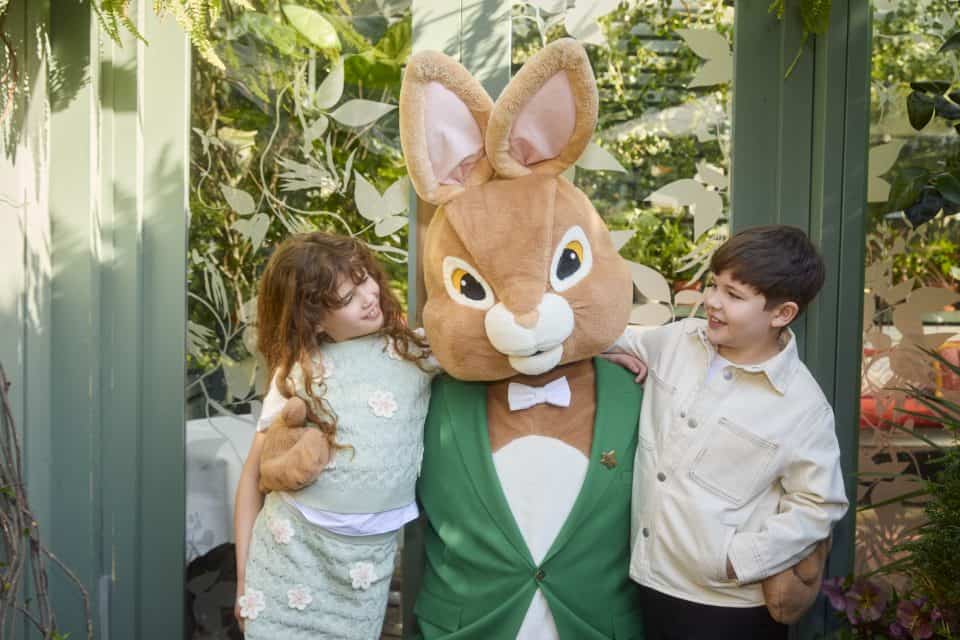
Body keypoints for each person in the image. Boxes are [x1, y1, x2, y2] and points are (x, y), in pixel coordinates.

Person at [610, 225, 849, 640]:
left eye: (734, 296)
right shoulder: (677, 341)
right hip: (644, 581)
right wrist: (611, 352)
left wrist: (737, 560)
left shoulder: (802, 407)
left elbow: (820, 504)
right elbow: (598, 337)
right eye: (714, 285)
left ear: (781, 314)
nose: (713, 302)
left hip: (726, 609)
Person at [232, 231, 435, 639]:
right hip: (289, 553)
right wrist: (242, 578)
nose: (367, 296)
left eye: (364, 277)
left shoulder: (412, 352)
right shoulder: (296, 371)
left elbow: (487, 349)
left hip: (364, 570)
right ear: (315, 319)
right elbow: (251, 481)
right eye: (345, 298)